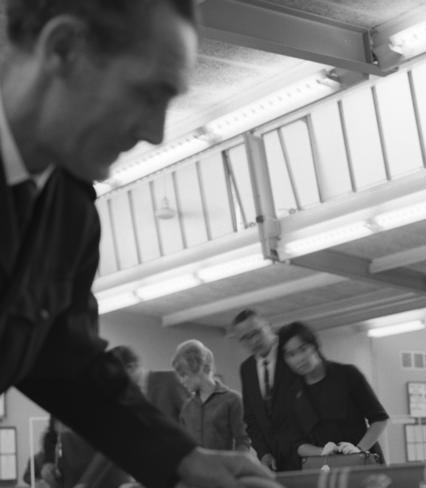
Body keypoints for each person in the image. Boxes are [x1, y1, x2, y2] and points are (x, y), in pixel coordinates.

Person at [0, 1, 273, 487]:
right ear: (63, 49)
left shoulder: (68, 208)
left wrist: (183, 459)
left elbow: (66, 361)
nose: (154, 131)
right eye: (149, 93)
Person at [277, 321, 389, 464]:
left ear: (314, 347)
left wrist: (359, 449)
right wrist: (321, 452)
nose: (299, 358)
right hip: (326, 466)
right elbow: (296, 443)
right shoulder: (291, 393)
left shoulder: (347, 374)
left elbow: (379, 419)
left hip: (364, 461)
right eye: (291, 354)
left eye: (303, 349)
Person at [231, 309, 302, 471]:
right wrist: (263, 453)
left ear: (269, 326)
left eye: (256, 332)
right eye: (244, 338)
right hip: (275, 460)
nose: (253, 341)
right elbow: (251, 418)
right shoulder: (246, 368)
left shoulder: (292, 354)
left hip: (307, 452)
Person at [172, 339, 251, 452]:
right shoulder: (187, 407)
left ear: (203, 368)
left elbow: (243, 440)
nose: (181, 381)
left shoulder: (233, 400)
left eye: (184, 375)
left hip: (226, 467)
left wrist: (234, 467)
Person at [110, 345, 188, 423]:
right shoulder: (124, 394)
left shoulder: (170, 379)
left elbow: (193, 419)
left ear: (131, 367)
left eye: (116, 373)